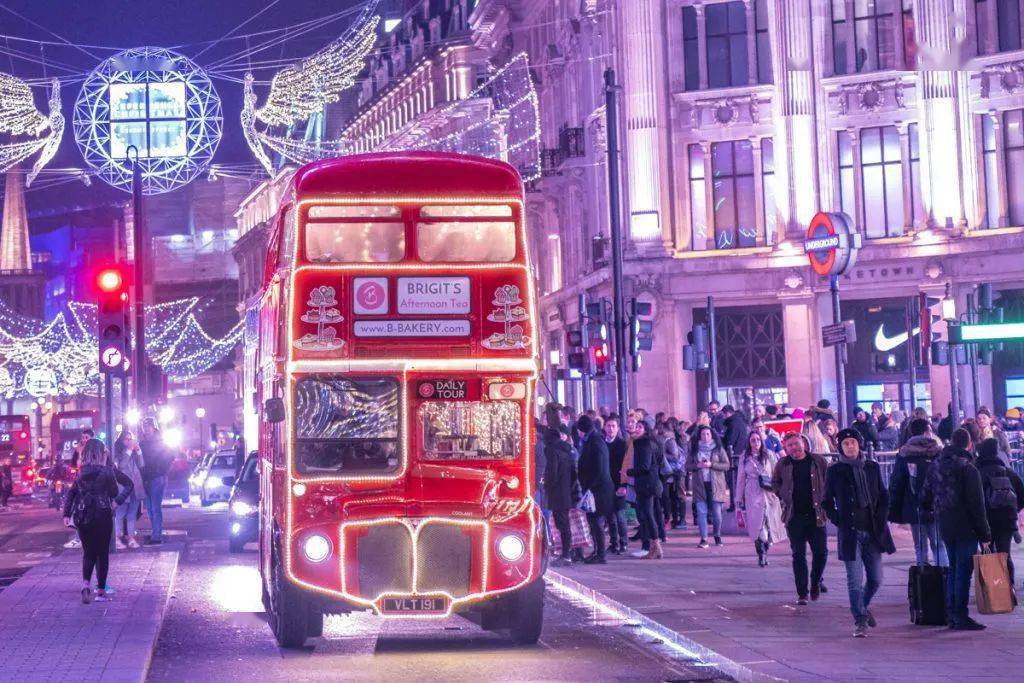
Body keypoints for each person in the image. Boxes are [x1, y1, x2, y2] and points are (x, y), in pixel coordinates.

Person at [823, 429, 896, 638]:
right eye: (845, 444)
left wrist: (882, 517)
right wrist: (839, 520)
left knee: (876, 579)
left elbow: (883, 495)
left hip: (873, 530)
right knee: (854, 580)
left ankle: (862, 606)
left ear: (859, 444)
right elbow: (826, 502)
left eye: (853, 442)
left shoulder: (871, 467)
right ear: (841, 448)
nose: (850, 447)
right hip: (850, 533)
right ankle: (860, 620)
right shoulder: (835, 471)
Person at [921, 428, 991, 630]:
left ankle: (952, 613)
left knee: (953, 569)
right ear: (969, 444)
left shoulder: (935, 466)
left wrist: (933, 510)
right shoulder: (968, 469)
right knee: (963, 572)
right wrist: (985, 533)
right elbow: (977, 505)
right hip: (966, 526)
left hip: (945, 524)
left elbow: (925, 496)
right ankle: (960, 615)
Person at [63, 438, 133, 604]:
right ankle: (100, 592)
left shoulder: (81, 471)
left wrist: (66, 514)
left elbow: (71, 493)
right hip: (103, 514)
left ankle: (86, 585)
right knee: (102, 553)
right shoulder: (107, 471)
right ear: (103, 453)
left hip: (83, 516)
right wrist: (118, 501)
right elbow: (115, 491)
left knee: (88, 553)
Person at [772, 433, 830, 605]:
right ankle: (802, 592)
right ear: (785, 448)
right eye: (789, 446)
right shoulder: (783, 464)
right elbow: (775, 482)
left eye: (796, 444)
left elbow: (828, 481)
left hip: (816, 515)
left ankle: (815, 581)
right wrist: (782, 495)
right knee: (798, 554)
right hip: (794, 516)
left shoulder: (818, 461)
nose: (794, 448)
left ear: (803, 443)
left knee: (821, 552)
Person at [888, 418, 947, 567]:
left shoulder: (905, 452)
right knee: (938, 543)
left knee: (920, 544)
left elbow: (897, 479)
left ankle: (923, 579)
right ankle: (944, 575)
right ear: (928, 430)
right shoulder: (938, 450)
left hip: (913, 502)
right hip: (936, 502)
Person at [975, 437, 1024, 585]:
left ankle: (992, 591)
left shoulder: (976, 472)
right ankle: (1009, 590)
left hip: (985, 522)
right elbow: (1021, 495)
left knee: (987, 555)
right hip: (1007, 521)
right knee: (1005, 554)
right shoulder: (1008, 472)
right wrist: (1013, 511)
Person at [736, 431, 786, 567]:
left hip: (769, 492)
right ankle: (761, 553)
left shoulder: (769, 455)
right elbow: (740, 478)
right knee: (757, 525)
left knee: (769, 523)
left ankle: (766, 547)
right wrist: (738, 498)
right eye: (753, 440)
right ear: (749, 442)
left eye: (758, 439)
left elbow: (777, 473)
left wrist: (781, 491)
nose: (756, 442)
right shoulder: (744, 457)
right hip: (752, 492)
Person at [576, 415, 614, 564]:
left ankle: (601, 554)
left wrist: (590, 486)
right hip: (595, 487)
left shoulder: (595, 441)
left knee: (597, 522)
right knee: (593, 521)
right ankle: (597, 551)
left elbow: (599, 467)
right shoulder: (593, 440)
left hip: (599, 489)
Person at [686, 425, 730, 548]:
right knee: (701, 513)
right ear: (699, 436)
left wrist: (712, 464)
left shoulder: (718, 449)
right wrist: (697, 466)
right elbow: (687, 466)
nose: (705, 437)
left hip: (715, 484)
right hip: (700, 485)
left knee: (717, 514)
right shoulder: (694, 449)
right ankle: (704, 538)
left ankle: (717, 534)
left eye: (708, 434)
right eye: (703, 434)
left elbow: (726, 465)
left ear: (712, 435)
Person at [628, 422, 665, 559]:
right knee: (648, 514)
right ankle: (655, 547)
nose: (636, 429)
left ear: (645, 430)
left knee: (647, 515)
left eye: (639, 427)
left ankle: (655, 546)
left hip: (646, 485)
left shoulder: (643, 444)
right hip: (650, 483)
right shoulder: (651, 442)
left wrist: (629, 472)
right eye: (635, 426)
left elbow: (644, 466)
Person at [544, 427, 578, 566]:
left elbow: (553, 472)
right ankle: (567, 553)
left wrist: (547, 484)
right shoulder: (567, 450)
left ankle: (566, 555)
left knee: (562, 524)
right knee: (564, 523)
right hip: (566, 491)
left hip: (557, 492)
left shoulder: (552, 451)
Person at [139, 418, 171, 545]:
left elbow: (170, 456)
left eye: (148, 426)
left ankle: (156, 535)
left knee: (155, 507)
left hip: (157, 477)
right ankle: (155, 532)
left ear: (154, 427)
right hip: (147, 477)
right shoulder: (143, 443)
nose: (146, 429)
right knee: (151, 508)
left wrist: (161, 469)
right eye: (144, 426)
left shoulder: (160, 442)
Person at [113, 430, 145, 549]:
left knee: (132, 515)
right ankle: (116, 538)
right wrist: (130, 449)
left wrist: (139, 451)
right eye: (126, 439)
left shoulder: (133, 453)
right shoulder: (119, 453)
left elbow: (142, 464)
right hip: (123, 488)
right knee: (120, 514)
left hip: (135, 487)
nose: (129, 441)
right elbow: (121, 465)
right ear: (121, 440)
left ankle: (131, 538)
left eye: (130, 439)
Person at [603, 416, 629, 553]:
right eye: (608, 426)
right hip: (606, 485)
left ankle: (623, 541)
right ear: (604, 427)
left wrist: (624, 485)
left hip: (619, 483)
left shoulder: (622, 444)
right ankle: (613, 543)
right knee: (610, 516)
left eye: (613, 426)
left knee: (620, 515)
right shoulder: (601, 443)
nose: (611, 429)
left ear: (617, 428)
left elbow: (625, 466)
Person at [657, 424, 685, 529]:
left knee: (674, 496)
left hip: (673, 472)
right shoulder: (666, 441)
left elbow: (675, 456)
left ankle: (677, 520)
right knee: (670, 497)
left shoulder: (669, 441)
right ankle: (674, 519)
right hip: (670, 472)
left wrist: (662, 455)